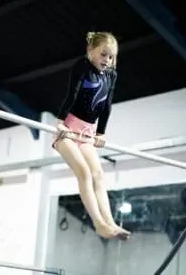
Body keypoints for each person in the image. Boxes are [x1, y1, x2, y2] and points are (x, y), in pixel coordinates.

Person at [52, 31, 130, 240]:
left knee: (98, 175)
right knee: (84, 173)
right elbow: (72, 94)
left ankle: (110, 222)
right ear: (90, 50)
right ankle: (99, 224)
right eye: (103, 54)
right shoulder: (82, 67)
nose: (107, 60)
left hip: (86, 132)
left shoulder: (111, 75)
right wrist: (60, 123)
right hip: (68, 131)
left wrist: (100, 132)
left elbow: (106, 106)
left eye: (111, 57)